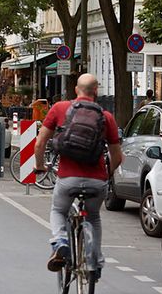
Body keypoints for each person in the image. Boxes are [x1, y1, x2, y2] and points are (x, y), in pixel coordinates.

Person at [34, 74, 123, 280]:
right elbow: (117, 156)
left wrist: (40, 166)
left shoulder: (59, 108)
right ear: (96, 91)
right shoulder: (106, 116)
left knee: (58, 210)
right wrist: (105, 175)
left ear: (76, 90)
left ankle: (61, 241)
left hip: (68, 178)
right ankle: (95, 263)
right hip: (97, 181)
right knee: (93, 217)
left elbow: (40, 143)